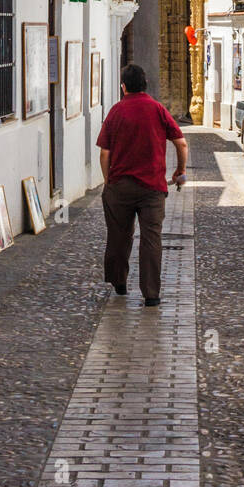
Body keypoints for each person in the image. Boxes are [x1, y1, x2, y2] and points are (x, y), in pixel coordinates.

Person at [97, 64, 189, 307]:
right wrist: (180, 170)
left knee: (118, 235)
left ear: (123, 86)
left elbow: (105, 154)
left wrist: (108, 181)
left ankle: (119, 282)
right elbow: (181, 143)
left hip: (120, 185)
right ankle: (151, 294)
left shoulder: (116, 111)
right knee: (151, 239)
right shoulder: (158, 109)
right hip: (152, 188)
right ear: (145, 85)